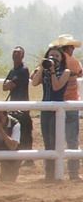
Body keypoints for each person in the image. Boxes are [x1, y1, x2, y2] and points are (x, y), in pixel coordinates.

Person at [31, 46, 71, 181]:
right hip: (45, 109)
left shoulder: (65, 71)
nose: (53, 58)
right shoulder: (45, 71)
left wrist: (53, 70)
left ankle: (56, 173)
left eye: (56, 56)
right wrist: (42, 67)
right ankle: (48, 173)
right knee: (47, 141)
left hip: (57, 109)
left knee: (55, 141)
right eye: (51, 56)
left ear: (61, 58)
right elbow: (34, 83)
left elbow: (56, 87)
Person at [49, 34, 82, 180]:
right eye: (72, 47)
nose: (73, 49)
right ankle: (74, 174)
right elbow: (80, 72)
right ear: (68, 48)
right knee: (72, 140)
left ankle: (54, 171)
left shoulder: (52, 62)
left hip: (56, 103)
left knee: (54, 139)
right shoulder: (73, 62)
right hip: (71, 103)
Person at [3, 46, 33, 159]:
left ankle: (28, 158)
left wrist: (9, 84)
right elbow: (4, 86)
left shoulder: (23, 70)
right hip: (13, 104)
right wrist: (9, 84)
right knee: (15, 128)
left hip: (23, 104)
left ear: (22, 56)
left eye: (18, 53)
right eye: (14, 53)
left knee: (25, 130)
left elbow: (10, 85)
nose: (15, 55)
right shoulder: (13, 71)